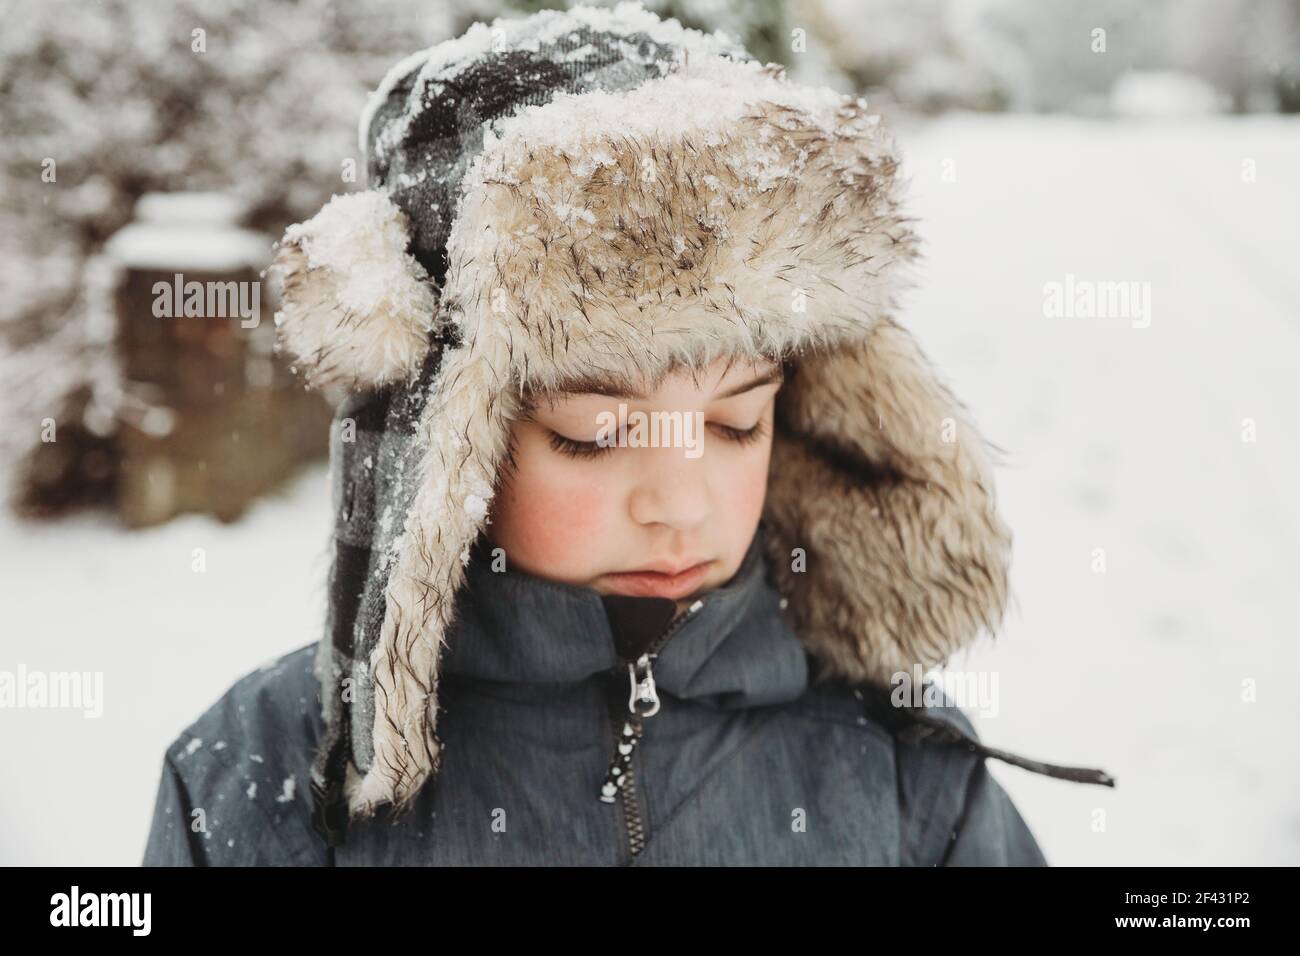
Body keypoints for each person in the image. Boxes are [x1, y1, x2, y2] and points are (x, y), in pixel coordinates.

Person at [142, 2, 1111, 867]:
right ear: (440, 439)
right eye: (595, 434)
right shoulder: (259, 777)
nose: (681, 501)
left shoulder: (905, 774)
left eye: (735, 423)